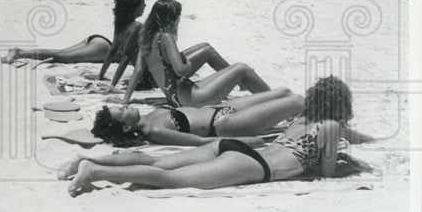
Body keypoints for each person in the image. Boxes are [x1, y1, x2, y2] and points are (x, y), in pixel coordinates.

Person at [60, 76, 373, 195]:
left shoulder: (303, 117)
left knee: (158, 162)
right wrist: (348, 162)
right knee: (171, 180)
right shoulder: (330, 129)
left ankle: (89, 160)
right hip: (253, 166)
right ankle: (95, 170)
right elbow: (325, 171)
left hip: (233, 148)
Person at [121, 0, 271, 108]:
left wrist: (125, 100)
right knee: (242, 68)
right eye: (177, 17)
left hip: (174, 96)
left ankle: (254, 88)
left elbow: (139, 69)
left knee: (234, 69)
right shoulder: (166, 37)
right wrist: (188, 63)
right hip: (190, 99)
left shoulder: (146, 37)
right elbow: (180, 71)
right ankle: (276, 100)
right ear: (171, 19)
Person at [0, 0, 149, 81]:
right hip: (101, 49)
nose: (145, 6)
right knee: (60, 56)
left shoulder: (121, 22)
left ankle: (22, 53)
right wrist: (106, 78)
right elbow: (119, 54)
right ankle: (20, 53)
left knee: (60, 53)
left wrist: (101, 75)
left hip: (98, 41)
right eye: (143, 3)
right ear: (135, 8)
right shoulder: (134, 27)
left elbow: (115, 48)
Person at [91, 87, 303, 147]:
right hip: (224, 125)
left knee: (284, 92)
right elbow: (199, 142)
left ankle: (306, 118)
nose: (125, 106)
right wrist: (245, 141)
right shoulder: (154, 131)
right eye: (122, 111)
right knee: (295, 101)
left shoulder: (148, 115)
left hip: (222, 109)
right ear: (126, 127)